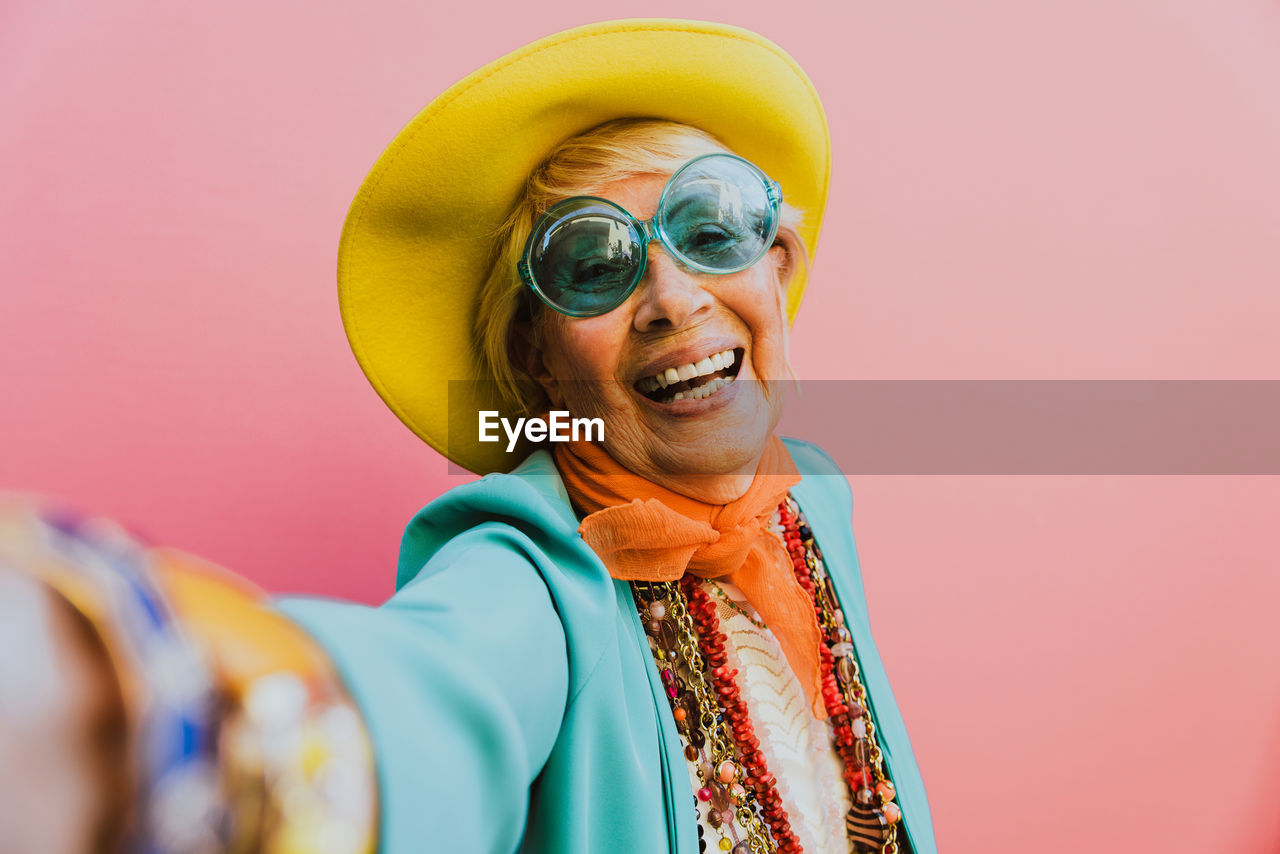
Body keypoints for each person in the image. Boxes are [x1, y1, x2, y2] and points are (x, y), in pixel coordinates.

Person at [0, 19, 935, 854]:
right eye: (592, 263)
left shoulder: (813, 494)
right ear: (536, 361)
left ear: (777, 265)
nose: (673, 298)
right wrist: (143, 698)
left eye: (712, 227)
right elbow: (425, 692)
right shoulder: (531, 573)